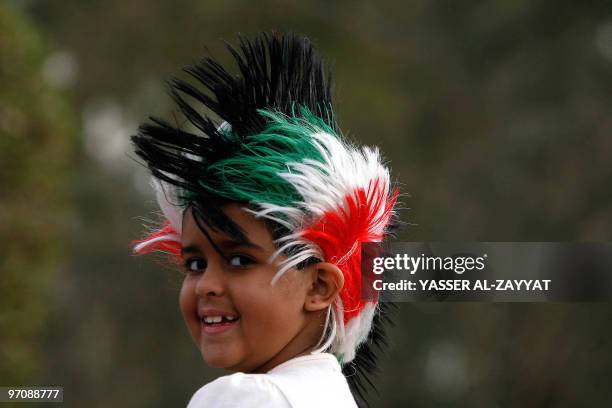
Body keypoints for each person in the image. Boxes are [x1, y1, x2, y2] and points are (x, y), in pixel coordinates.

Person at [131, 31, 399, 407]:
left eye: (239, 260)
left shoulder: (250, 398)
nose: (206, 285)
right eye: (195, 263)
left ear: (320, 286)